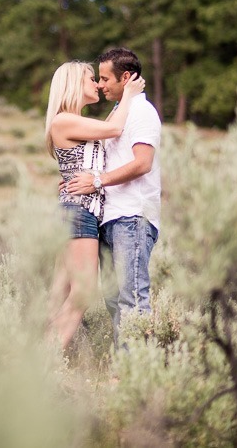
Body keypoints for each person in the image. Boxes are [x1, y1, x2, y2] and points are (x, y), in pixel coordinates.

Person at [63, 48, 162, 348]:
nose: (100, 84)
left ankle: (137, 373)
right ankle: (124, 369)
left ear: (127, 77)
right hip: (109, 219)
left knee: (132, 299)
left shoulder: (142, 112)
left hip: (132, 217)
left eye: (105, 78)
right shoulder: (120, 112)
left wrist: (97, 181)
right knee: (114, 301)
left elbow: (142, 163)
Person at [44, 60, 145, 352]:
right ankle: (45, 359)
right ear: (75, 85)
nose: (98, 85)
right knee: (83, 292)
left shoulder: (74, 121)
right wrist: (129, 93)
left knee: (58, 293)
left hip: (73, 212)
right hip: (79, 213)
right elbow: (114, 129)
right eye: (91, 79)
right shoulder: (64, 119)